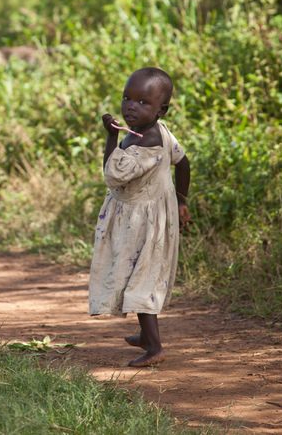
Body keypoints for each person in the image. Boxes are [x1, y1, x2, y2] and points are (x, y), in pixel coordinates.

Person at [88, 67, 191, 367]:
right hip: (151, 216)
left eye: (143, 102)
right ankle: (146, 337)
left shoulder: (143, 143)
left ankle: (155, 347)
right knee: (136, 275)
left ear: (161, 109)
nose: (131, 106)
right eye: (127, 98)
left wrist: (110, 137)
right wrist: (182, 201)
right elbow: (183, 164)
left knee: (141, 280)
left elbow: (112, 175)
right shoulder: (162, 131)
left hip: (142, 222)